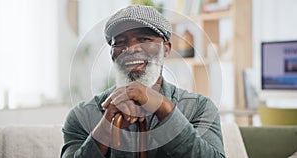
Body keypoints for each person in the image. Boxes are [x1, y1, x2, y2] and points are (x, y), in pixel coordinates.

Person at [61, 5, 225, 158]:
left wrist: (163, 108)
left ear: (166, 48)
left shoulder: (199, 108)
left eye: (144, 39)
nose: (131, 49)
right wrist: (106, 125)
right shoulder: (82, 115)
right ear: (112, 54)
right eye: (120, 42)